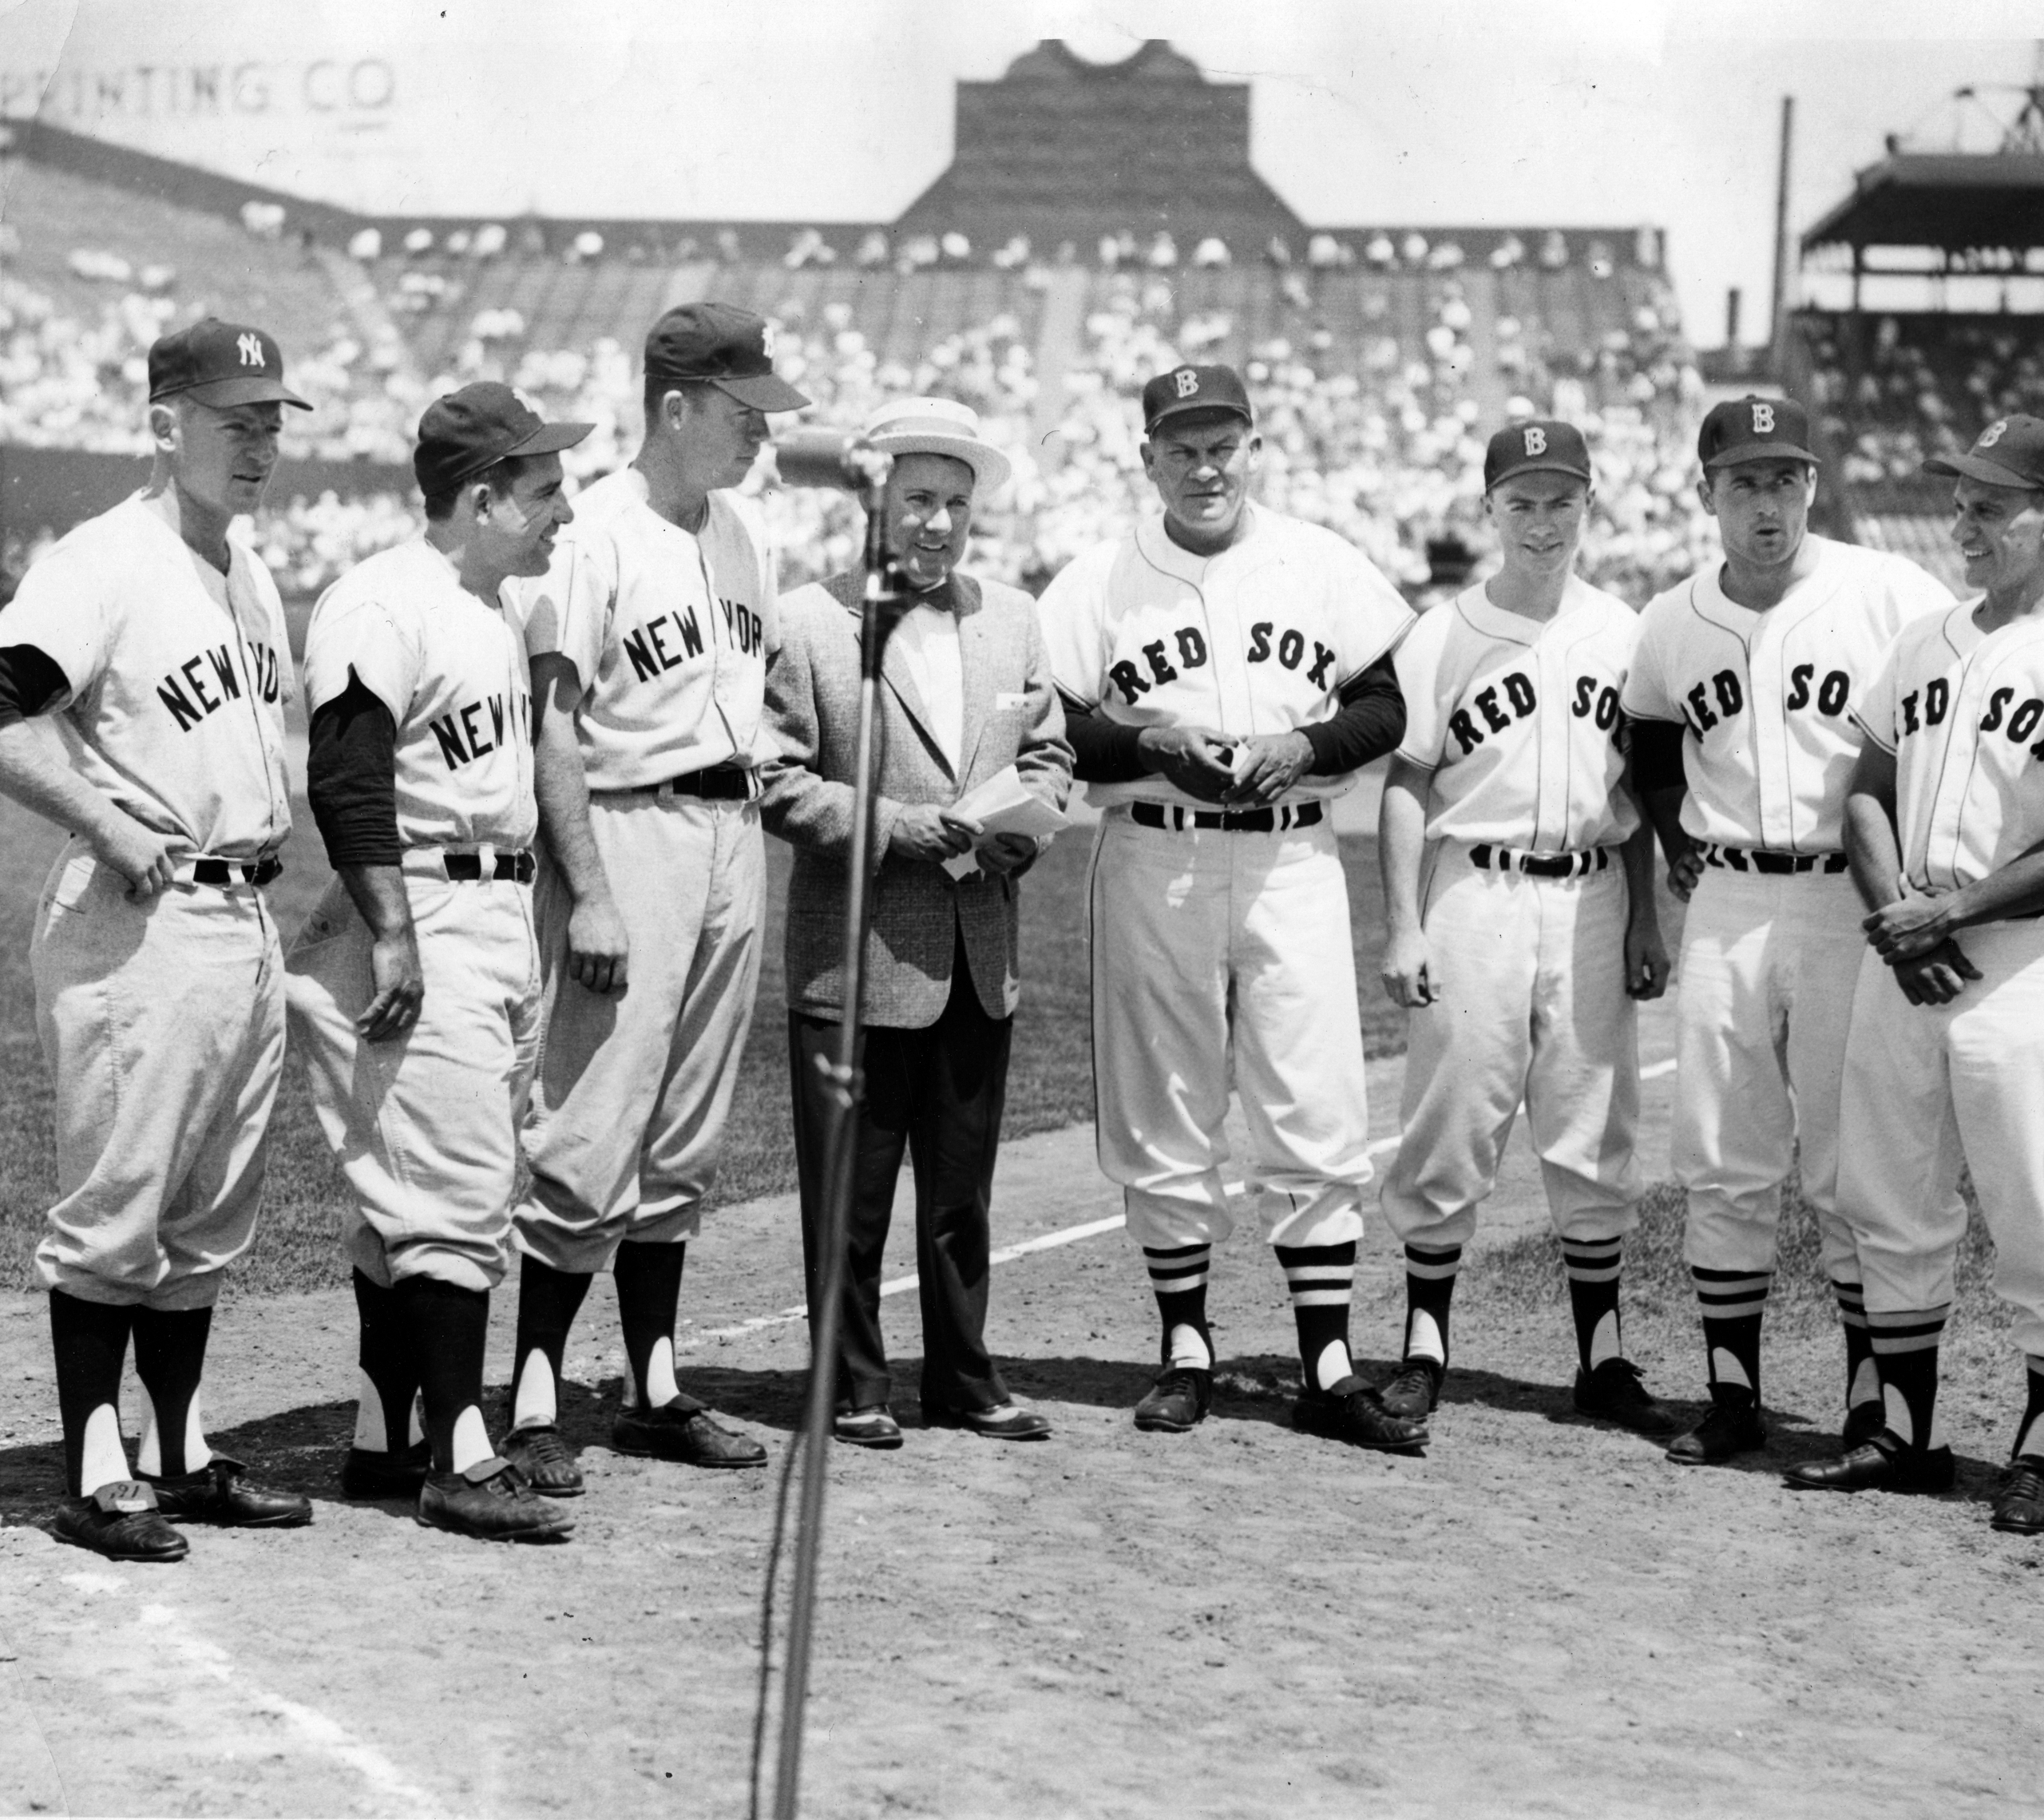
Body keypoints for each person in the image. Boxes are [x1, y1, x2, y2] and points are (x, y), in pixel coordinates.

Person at [1037, 363, 1421, 1451]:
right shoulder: (1101, 577)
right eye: (1182, 446)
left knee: (1316, 1097)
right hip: (1155, 855)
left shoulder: (1318, 559)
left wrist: (1305, 743)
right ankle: (1186, 1346)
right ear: (1148, 454)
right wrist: (1154, 741)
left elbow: (1385, 703)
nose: (1204, 465)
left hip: (1293, 854)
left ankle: (1329, 1358)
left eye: (1223, 443)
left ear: (1253, 445)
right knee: (1167, 1103)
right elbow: (1062, 722)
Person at [1787, 414, 2044, 1531]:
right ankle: (1904, 1429)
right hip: (1909, 938)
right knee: (1887, 1189)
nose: (1965, 522)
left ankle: (2042, 1443)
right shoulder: (1928, 636)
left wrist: (1947, 909)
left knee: (2040, 1201)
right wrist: (1900, 907)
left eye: (1992, 503)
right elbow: (1862, 787)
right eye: (1963, 500)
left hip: (2025, 948)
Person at [0, 318, 314, 1560]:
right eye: (234, 420)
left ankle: (179, 1450)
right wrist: (104, 818)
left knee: (206, 1208)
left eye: (271, 422)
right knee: (121, 1201)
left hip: (236, 912)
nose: (259, 445)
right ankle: (93, 1464)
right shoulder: (104, 560)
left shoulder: (245, 567)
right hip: (136, 913)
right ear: (162, 422)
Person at [497, 304, 807, 1494]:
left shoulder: (747, 535)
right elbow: (557, 726)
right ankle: (532, 1390)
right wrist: (588, 890)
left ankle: (655, 1384)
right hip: (630, 831)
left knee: (684, 1131)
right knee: (590, 1118)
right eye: (742, 415)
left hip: (733, 830)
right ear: (675, 406)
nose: (758, 438)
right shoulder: (594, 537)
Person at [284, 383, 592, 1543]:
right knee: (456, 1194)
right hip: (421, 900)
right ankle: (462, 1453)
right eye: (544, 487)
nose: (563, 508)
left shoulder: (493, 604)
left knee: (412, 1191)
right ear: (480, 496)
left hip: (492, 909)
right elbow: (347, 776)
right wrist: (396, 927)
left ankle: (382, 1428)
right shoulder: (379, 600)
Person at [1624, 395, 1956, 1466]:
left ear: (1813, 484)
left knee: (1851, 1156)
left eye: (1785, 479)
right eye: (1743, 482)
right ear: (1707, 492)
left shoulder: (1892, 590)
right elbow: (1653, 747)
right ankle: (1733, 1395)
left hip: (1846, 899)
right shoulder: (1673, 618)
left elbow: (1949, 723)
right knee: (1723, 1152)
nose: (1767, 503)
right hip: (1726, 898)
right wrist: (1676, 839)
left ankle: (1871, 1401)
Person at [763, 396, 1072, 1445]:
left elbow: (1051, 750)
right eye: (918, 501)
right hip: (858, 956)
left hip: (981, 944)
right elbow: (776, 779)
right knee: (851, 1201)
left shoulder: (1014, 617)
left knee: (959, 1194)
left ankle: (965, 1375)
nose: (937, 523)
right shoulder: (812, 621)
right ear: (877, 505)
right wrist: (897, 826)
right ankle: (852, 1381)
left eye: (955, 504)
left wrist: (1023, 826)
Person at [1373, 420, 1674, 1433]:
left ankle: (1603, 1355)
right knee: (1455, 1112)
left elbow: (1632, 784)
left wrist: (1644, 913)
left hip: (1592, 892)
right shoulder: (1442, 631)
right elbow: (1408, 783)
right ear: (1491, 509)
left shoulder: (1626, 631)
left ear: (1590, 506)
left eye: (1561, 500)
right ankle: (1424, 1347)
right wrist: (1402, 924)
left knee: (1594, 1115)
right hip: (1476, 890)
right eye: (1522, 501)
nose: (1541, 522)